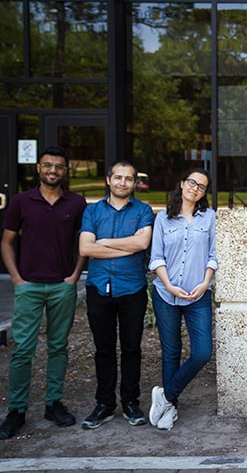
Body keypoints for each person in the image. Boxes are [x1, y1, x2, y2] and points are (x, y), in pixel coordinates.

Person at [0, 147, 86, 439]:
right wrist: (17, 279)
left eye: (58, 167)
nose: (52, 171)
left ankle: (53, 403)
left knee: (58, 346)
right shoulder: (21, 201)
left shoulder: (76, 202)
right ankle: (16, 410)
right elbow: (7, 242)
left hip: (62, 286)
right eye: (47, 166)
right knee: (23, 349)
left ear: (65, 171)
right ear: (38, 168)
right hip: (30, 287)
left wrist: (74, 275)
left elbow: (83, 242)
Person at [79, 161, 154, 429]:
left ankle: (131, 403)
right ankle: (105, 404)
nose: (123, 183)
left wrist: (105, 242)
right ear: (108, 180)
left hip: (132, 288)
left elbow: (142, 243)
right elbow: (86, 249)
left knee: (132, 349)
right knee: (104, 349)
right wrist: (127, 247)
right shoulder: (92, 211)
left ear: (135, 183)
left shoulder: (144, 211)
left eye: (129, 179)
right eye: (118, 178)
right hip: (99, 288)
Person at [148, 169, 218, 430]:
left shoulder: (209, 218)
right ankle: (170, 410)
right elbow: (157, 258)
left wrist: (205, 282)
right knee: (171, 352)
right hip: (166, 294)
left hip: (198, 294)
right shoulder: (163, 219)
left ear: (204, 193)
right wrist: (169, 285)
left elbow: (213, 255)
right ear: (182, 184)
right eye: (192, 182)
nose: (195, 188)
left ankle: (165, 396)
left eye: (201, 186)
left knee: (202, 352)